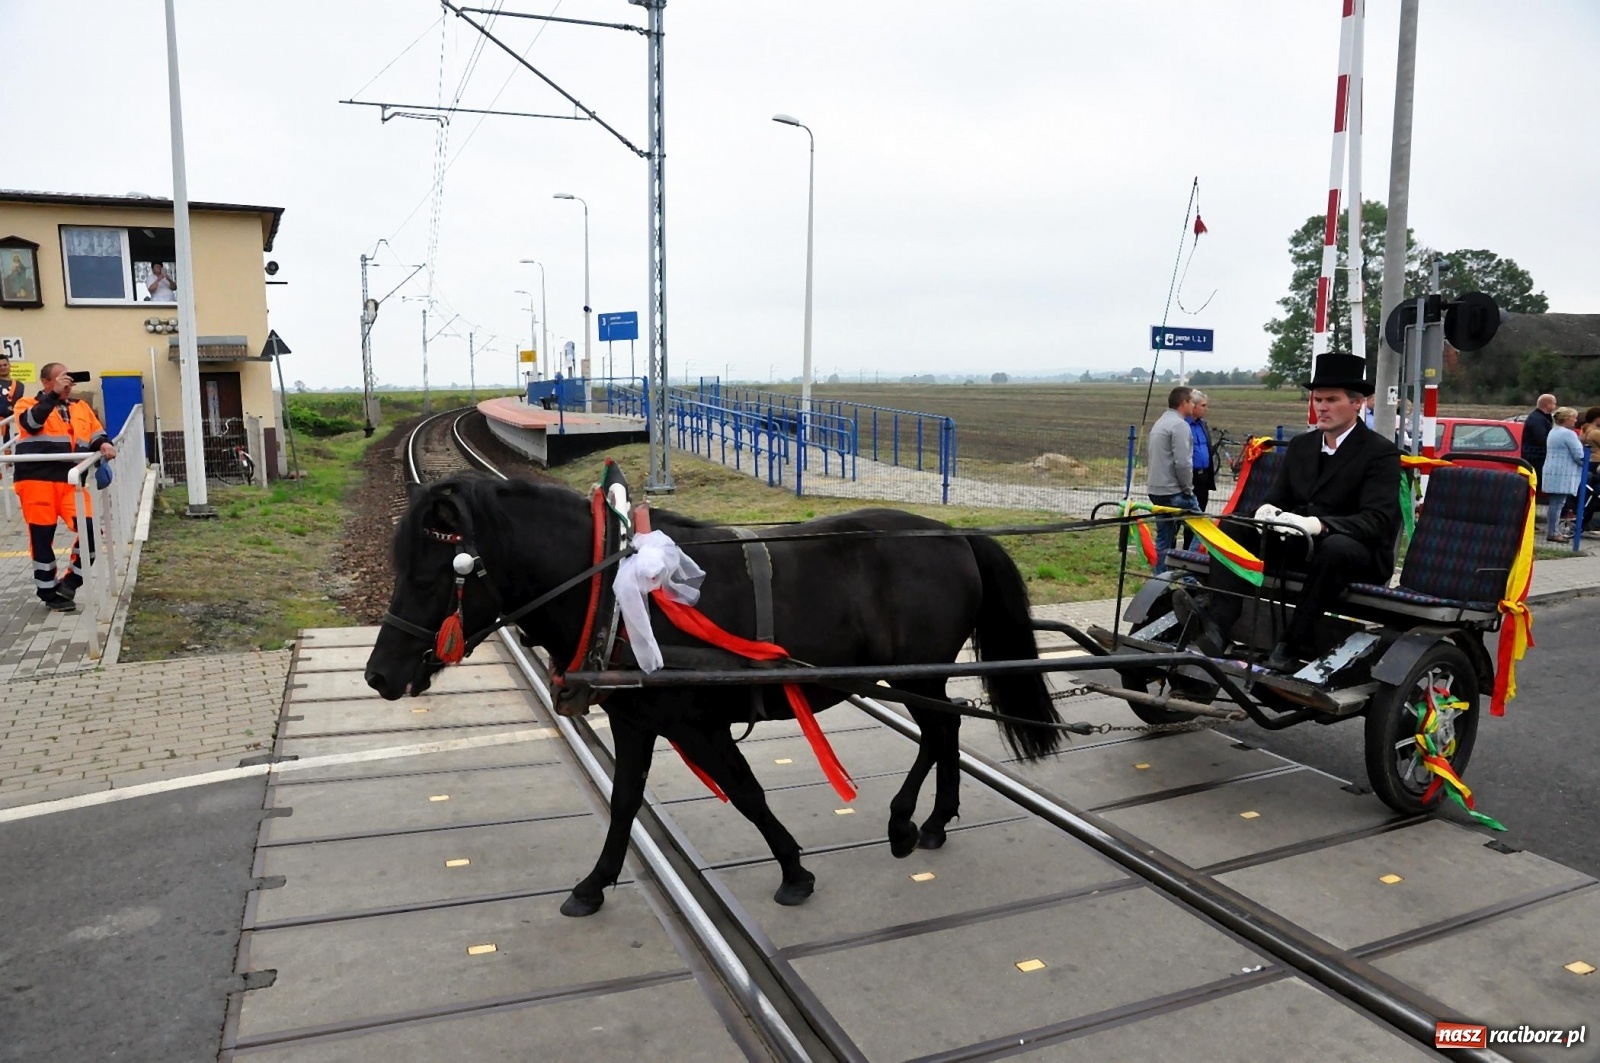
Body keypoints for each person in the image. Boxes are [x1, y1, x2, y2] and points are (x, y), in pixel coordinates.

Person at [1171, 353, 1401, 673]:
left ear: (1357, 403)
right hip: (1300, 545)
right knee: (1234, 527)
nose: (1321, 406)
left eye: (1332, 400)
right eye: (1317, 399)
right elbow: (1277, 498)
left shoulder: (1380, 452)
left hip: (1354, 554)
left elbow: (1377, 520)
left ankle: (1291, 644)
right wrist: (1267, 512)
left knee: (1334, 548)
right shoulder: (1301, 446)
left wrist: (1318, 524)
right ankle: (1218, 626)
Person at [13, 362, 116, 612]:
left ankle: (71, 582)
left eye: (69, 379)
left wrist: (103, 444)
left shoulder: (80, 407)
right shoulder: (26, 404)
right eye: (60, 379)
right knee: (42, 538)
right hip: (36, 482)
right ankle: (48, 592)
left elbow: (95, 434)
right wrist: (52, 396)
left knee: (90, 531)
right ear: (46, 382)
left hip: (71, 482)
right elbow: (31, 424)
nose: (67, 384)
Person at [1146, 385, 1199, 575]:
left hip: (1156, 490)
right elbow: (1183, 462)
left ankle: (1160, 580)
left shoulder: (1160, 423)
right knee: (1204, 531)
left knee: (1164, 538)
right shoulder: (1179, 425)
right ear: (1183, 403)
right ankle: (1190, 574)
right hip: (1174, 491)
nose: (1194, 405)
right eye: (1192, 402)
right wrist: (1188, 489)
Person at [1541, 407, 1585, 544]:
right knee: (1558, 503)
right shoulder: (1568, 434)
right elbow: (1578, 454)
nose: (1575, 420)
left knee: (1555, 503)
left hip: (1553, 470)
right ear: (1566, 419)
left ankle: (1552, 530)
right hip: (1563, 473)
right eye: (1574, 417)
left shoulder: (1554, 431)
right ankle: (1553, 532)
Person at [1183, 390, 1217, 549]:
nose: (1206, 409)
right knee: (1181, 517)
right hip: (1187, 478)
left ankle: (1189, 553)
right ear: (1193, 406)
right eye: (1203, 405)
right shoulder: (1182, 425)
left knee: (1198, 518)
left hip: (1203, 478)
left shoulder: (1203, 425)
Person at [0, 354, 22, 483]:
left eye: (5, 365)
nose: (2, 368)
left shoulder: (19, 385)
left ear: (9, 365)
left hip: (8, 426)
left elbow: (16, 406)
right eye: (0, 366)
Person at [1522, 393, 1557, 474]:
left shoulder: (1542, 418)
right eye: (1554, 403)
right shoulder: (1537, 419)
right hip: (1535, 459)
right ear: (1548, 405)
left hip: (1538, 457)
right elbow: (1541, 439)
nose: (1555, 406)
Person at [1578, 406, 1600, 530]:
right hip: (1597, 462)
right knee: (1596, 492)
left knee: (1591, 492)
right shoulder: (1595, 432)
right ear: (1597, 418)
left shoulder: (1584, 429)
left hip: (1590, 462)